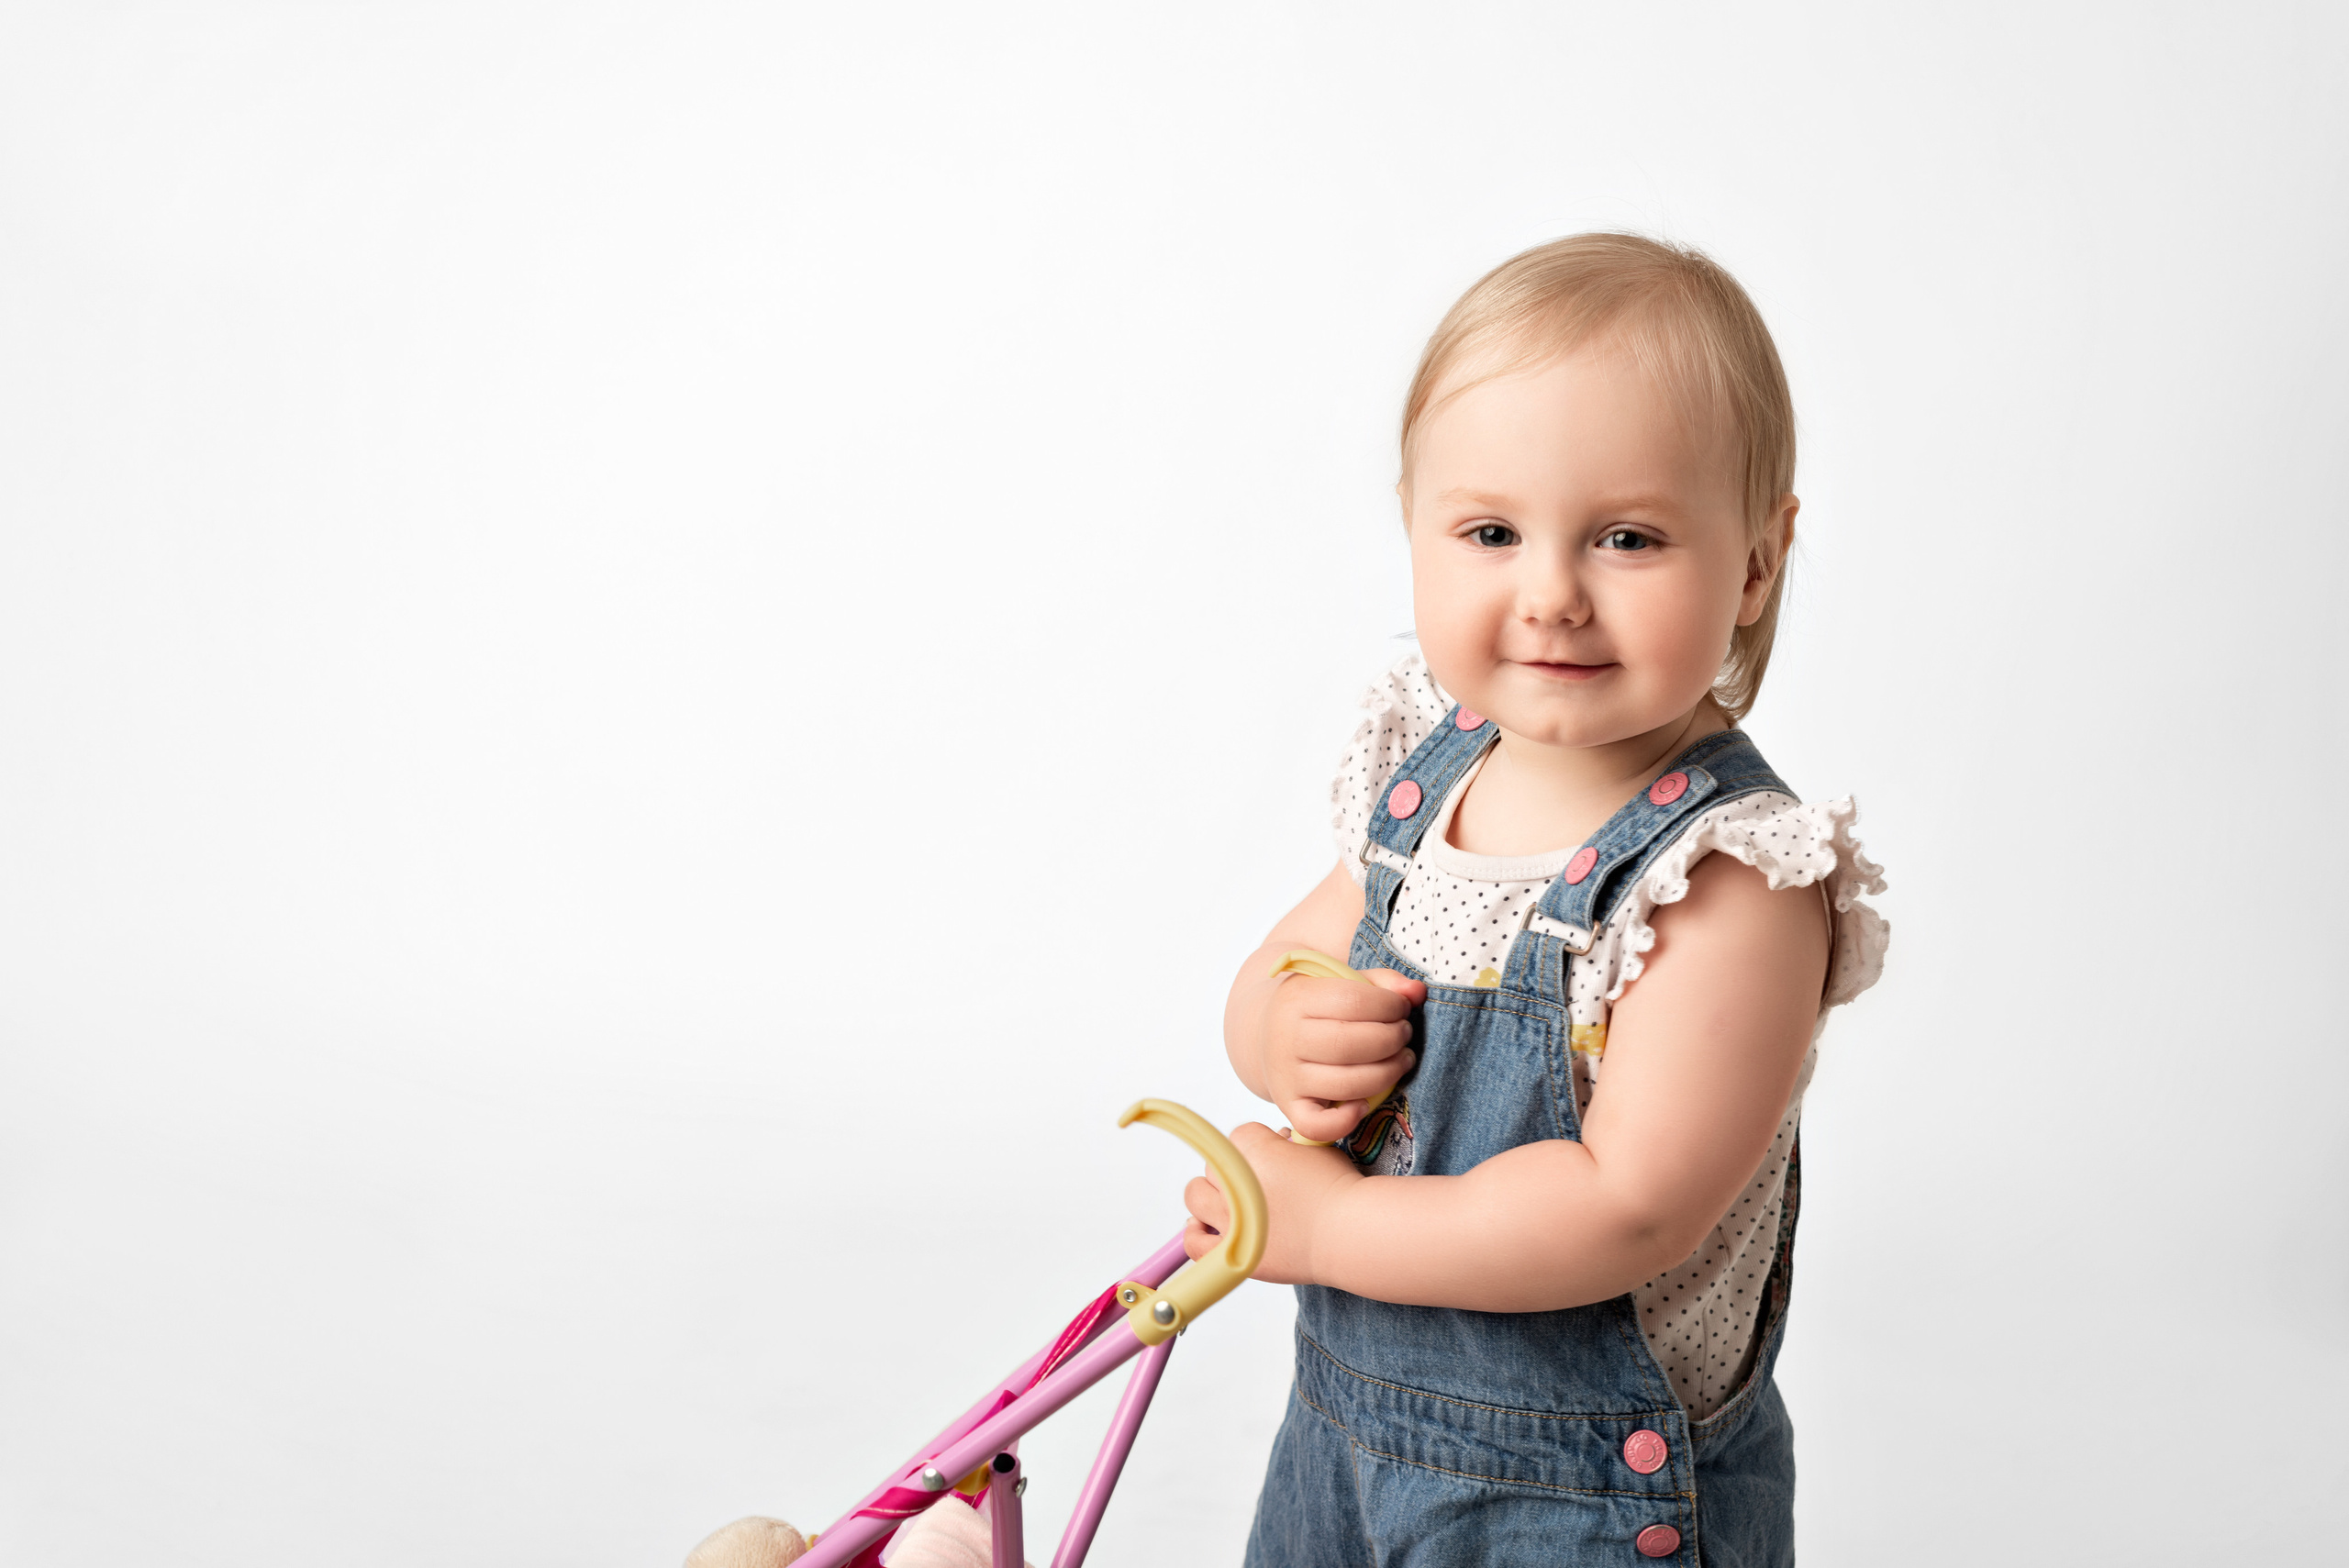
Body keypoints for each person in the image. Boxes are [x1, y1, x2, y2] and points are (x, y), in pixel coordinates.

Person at [1183, 234, 1889, 1566]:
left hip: (1583, 1501)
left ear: (1753, 561)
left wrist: (1329, 1223)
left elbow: (1628, 1204)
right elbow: (1293, 956)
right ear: (1417, 527)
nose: (1552, 592)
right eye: (1492, 532)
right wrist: (1282, 1027)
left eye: (1628, 537)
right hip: (1342, 1440)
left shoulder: (1728, 876)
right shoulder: (1426, 773)